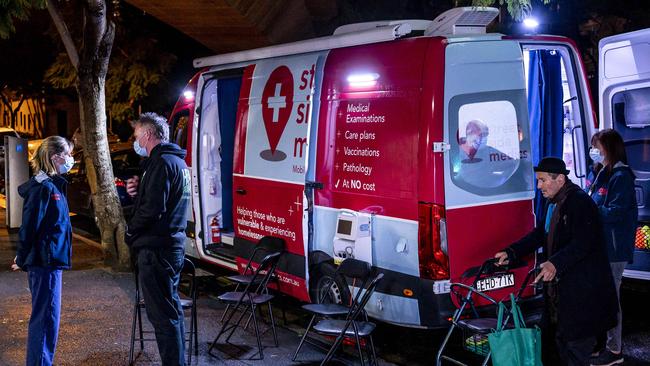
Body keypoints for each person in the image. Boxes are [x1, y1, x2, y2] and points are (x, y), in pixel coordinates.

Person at [494, 157, 618, 366]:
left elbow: (584, 243)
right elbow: (539, 234)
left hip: (583, 296)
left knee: (575, 352)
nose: (539, 186)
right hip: (561, 297)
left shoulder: (580, 203)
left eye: (542, 180)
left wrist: (555, 263)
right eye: (538, 180)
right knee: (556, 347)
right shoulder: (554, 203)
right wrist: (512, 251)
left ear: (560, 179)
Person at [125, 112, 191, 366]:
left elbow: (154, 209)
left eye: (137, 136)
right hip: (170, 247)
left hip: (156, 250)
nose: (136, 141)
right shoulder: (176, 163)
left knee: (163, 317)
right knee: (170, 313)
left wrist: (131, 231)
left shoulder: (161, 163)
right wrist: (137, 194)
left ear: (148, 134)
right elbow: (161, 202)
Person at [12, 136, 74, 366]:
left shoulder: (52, 185)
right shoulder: (44, 188)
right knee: (46, 319)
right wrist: (22, 255)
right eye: (67, 154)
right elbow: (30, 225)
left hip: (49, 261)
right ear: (55, 157)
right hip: (45, 262)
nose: (70, 159)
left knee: (48, 319)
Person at [587, 129, 637, 366]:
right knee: (602, 297)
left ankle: (614, 350)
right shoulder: (602, 174)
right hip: (601, 245)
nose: (594, 152)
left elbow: (616, 213)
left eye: (597, 147)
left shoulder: (621, 176)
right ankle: (603, 344)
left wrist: (591, 208)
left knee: (611, 299)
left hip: (614, 247)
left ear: (609, 148)